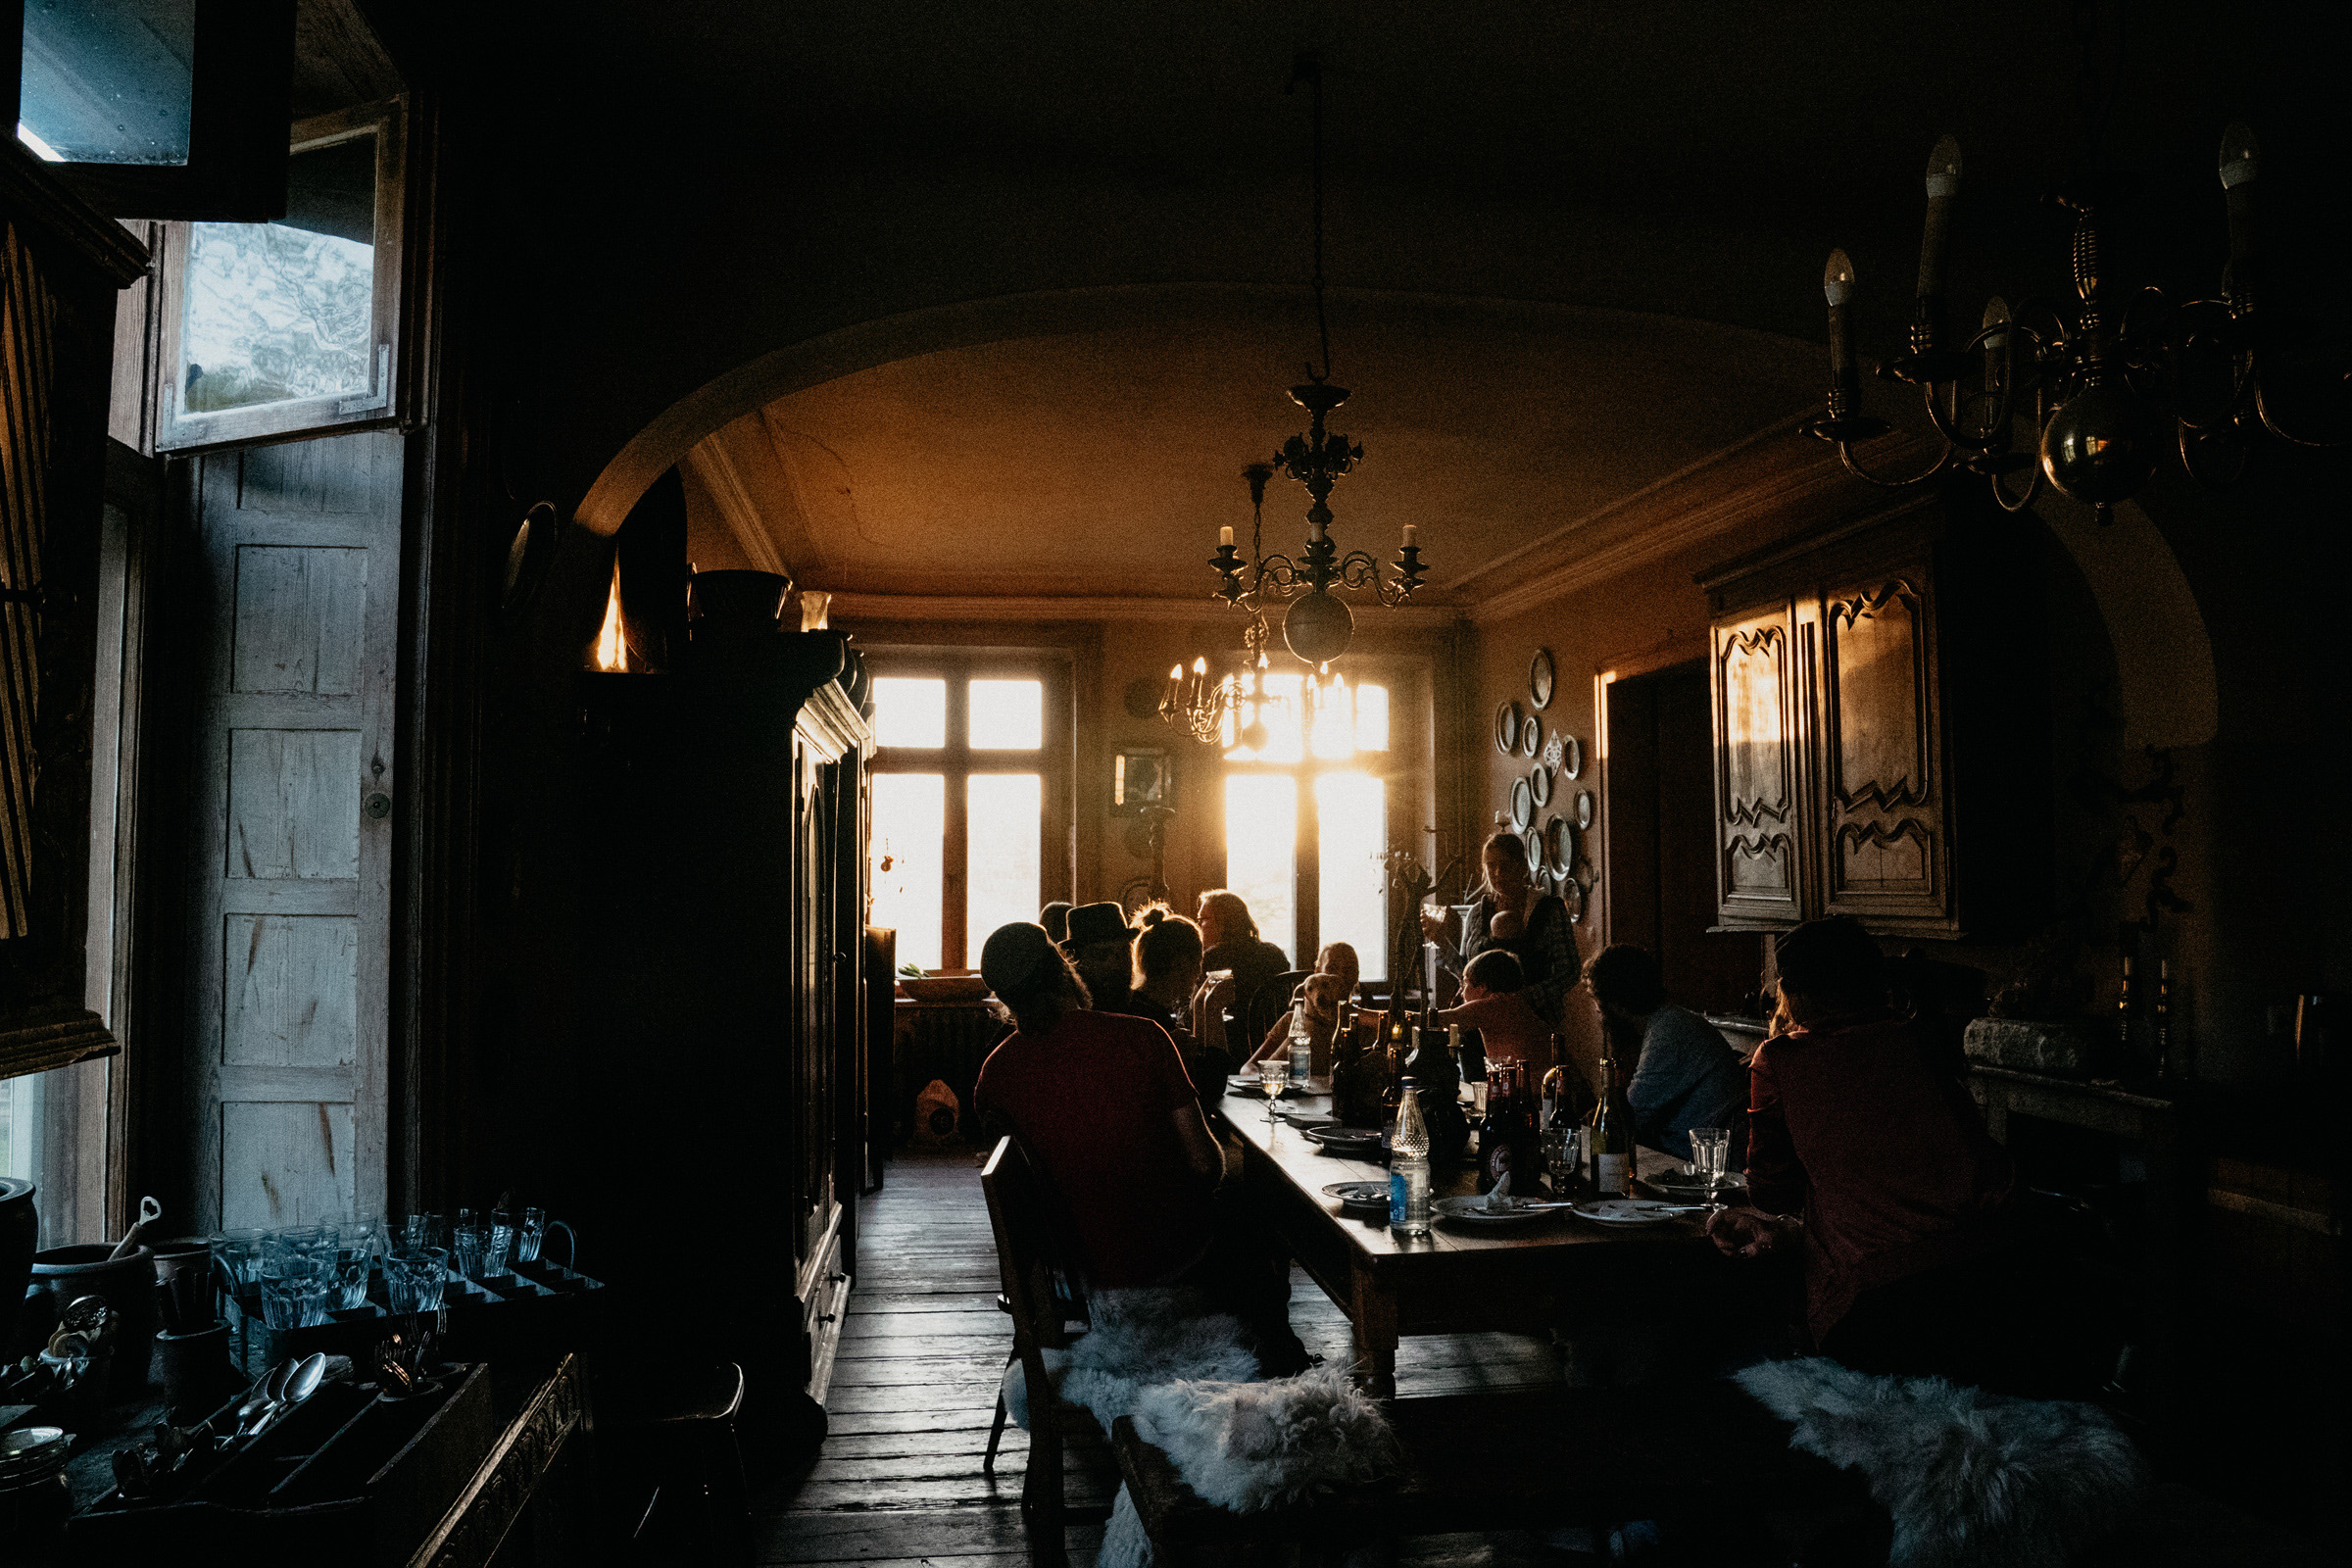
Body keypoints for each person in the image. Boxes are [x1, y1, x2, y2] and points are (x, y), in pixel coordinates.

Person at [1703, 917, 2034, 1391]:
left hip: (1880, 1300)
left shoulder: (1779, 1059)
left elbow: (1772, 1193)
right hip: (1992, 1284)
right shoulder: (1922, 1040)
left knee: (1737, 1349)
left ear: (1792, 992)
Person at [973, 922, 1308, 1374]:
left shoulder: (994, 1077)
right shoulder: (1143, 1037)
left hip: (1074, 1267)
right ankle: (1280, 1364)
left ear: (1006, 1000)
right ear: (1063, 970)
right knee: (1255, 1207)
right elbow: (1205, 1166)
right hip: (1166, 1254)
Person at [1584, 943, 1748, 1165]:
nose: (1598, 1016)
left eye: (1599, 1008)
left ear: (1619, 1006)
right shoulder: (1668, 1021)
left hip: (1704, 1165)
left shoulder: (1668, 1031)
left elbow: (1625, 1118)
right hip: (1691, 1154)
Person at [1419, 833, 1576, 1036]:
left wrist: (1523, 998)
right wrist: (1440, 940)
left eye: (1506, 865)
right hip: (1478, 1026)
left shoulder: (1549, 910)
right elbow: (1466, 972)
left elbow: (1569, 971)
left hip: (1534, 1022)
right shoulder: (1477, 912)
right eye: (1491, 866)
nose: (1498, 872)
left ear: (1522, 867)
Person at [1130, 908, 1231, 1102]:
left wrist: (1202, 1002)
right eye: (1199, 960)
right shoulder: (1154, 1021)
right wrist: (1213, 1009)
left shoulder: (1142, 1004)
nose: (1200, 971)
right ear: (1183, 963)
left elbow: (1199, 1063)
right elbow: (1210, 1087)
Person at [1431, 949, 1554, 1078]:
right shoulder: (1514, 1004)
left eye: (1465, 983)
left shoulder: (1495, 1006)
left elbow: (1445, 1020)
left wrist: (1409, 1017)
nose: (1462, 992)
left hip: (1535, 1093)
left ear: (1483, 987)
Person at [1242, 942, 1362, 1068]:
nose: (1340, 975)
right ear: (1317, 972)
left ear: (1356, 976)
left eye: (1348, 969)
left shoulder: (1364, 1025)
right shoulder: (1292, 1021)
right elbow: (1248, 1068)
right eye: (1331, 968)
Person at [1061, 901, 1147, 1018]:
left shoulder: (1149, 1014)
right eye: (1102, 955)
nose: (1115, 964)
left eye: (1123, 952)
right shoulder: (1062, 1018)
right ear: (1073, 959)